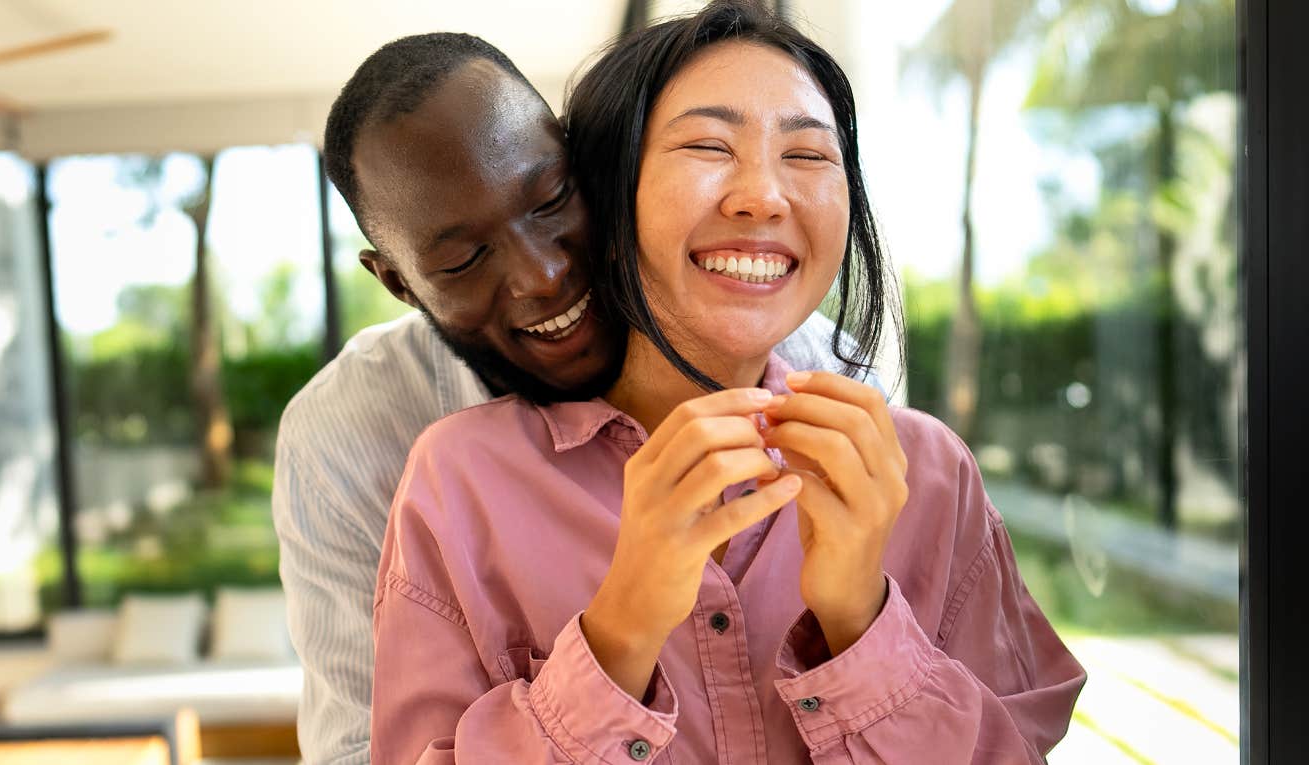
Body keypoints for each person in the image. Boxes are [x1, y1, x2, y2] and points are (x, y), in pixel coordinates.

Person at [369, 2, 1086, 763]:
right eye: (710, 145)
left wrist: (860, 617)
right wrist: (621, 630)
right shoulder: (460, 484)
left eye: (809, 156)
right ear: (608, 199)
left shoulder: (930, 476)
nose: (765, 196)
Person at [273, 31, 883, 765]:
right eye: (465, 259)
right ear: (399, 283)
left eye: (552, 199)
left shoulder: (804, 361)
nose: (544, 274)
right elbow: (357, 749)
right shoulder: (347, 438)